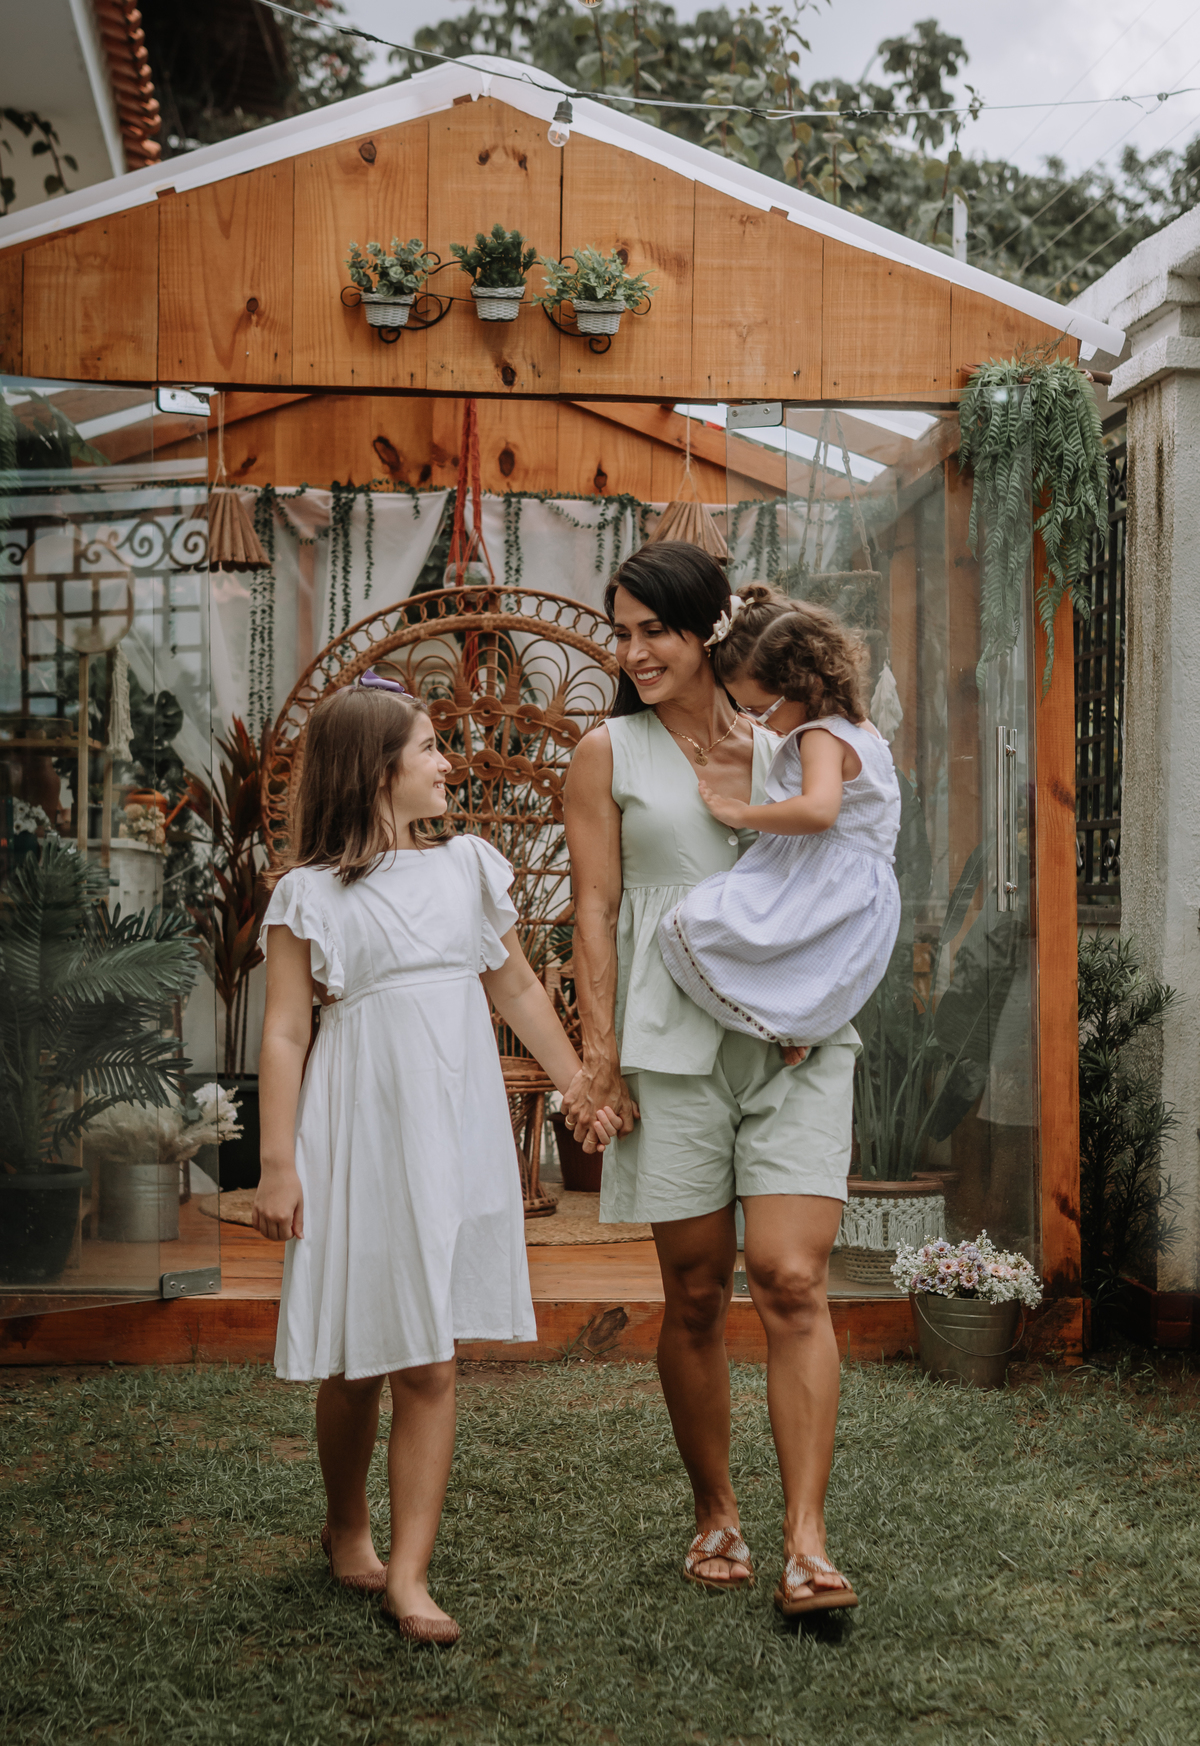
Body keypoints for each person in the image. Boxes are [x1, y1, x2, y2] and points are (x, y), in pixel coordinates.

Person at [252, 672, 616, 1645]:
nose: (448, 763)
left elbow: (518, 989)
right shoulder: (307, 896)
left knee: (429, 1356)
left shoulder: (468, 870)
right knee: (355, 1360)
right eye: (428, 747)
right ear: (377, 771)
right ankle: (347, 1525)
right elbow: (284, 1033)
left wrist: (579, 1085)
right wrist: (278, 1165)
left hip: (451, 1126)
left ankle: (409, 1575)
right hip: (360, 1130)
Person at [562, 544, 862, 1617]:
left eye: (655, 630)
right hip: (670, 1047)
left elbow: (850, 872)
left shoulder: (794, 740)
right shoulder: (606, 752)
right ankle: (716, 1512)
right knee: (693, 1291)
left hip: (797, 1042)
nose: (633, 651)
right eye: (622, 632)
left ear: (708, 630)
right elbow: (595, 910)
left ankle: (807, 1545)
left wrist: (816, 999)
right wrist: (600, 1059)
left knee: (790, 1276)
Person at [659, 583, 902, 1058]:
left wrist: (741, 812)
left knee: (695, 923)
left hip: (824, 879)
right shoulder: (861, 728)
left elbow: (818, 811)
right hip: (859, 890)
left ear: (801, 685)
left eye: (758, 709)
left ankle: (769, 1022)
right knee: (806, 967)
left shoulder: (821, 738)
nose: (757, 723)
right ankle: (789, 1025)